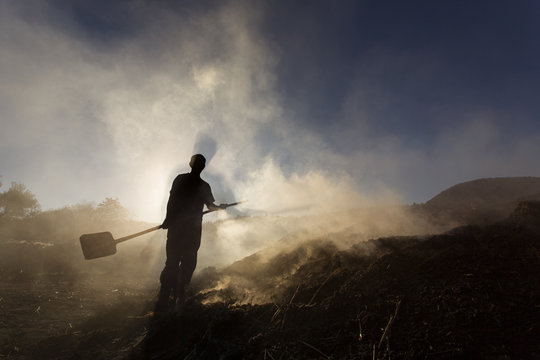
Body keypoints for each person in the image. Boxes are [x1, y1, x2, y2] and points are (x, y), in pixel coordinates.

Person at [155, 154, 224, 312]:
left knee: (186, 263)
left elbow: (210, 206)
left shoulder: (201, 185)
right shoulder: (182, 180)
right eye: (198, 162)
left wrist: (220, 207)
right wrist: (168, 218)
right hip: (182, 228)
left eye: (201, 163)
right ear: (192, 164)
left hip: (189, 230)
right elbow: (172, 200)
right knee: (175, 262)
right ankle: (165, 298)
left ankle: (176, 295)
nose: (199, 164)